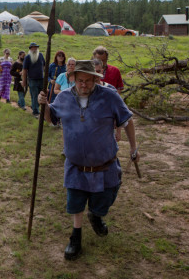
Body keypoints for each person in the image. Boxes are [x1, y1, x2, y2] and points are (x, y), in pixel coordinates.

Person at [37, 60, 139, 261]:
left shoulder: (110, 97)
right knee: (75, 202)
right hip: (75, 165)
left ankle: (96, 214)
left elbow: (127, 121)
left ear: (96, 79)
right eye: (80, 80)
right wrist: (45, 106)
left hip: (105, 164)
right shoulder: (65, 97)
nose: (83, 85)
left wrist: (134, 147)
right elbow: (52, 119)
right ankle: (76, 238)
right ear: (73, 79)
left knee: (105, 198)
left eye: (88, 81)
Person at [21, 42, 45, 118]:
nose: (34, 49)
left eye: (36, 47)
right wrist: (24, 81)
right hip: (32, 80)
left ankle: (35, 107)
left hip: (41, 79)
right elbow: (24, 70)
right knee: (34, 95)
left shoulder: (40, 55)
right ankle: (35, 112)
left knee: (41, 95)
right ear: (30, 49)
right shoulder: (27, 57)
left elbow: (44, 66)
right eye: (33, 47)